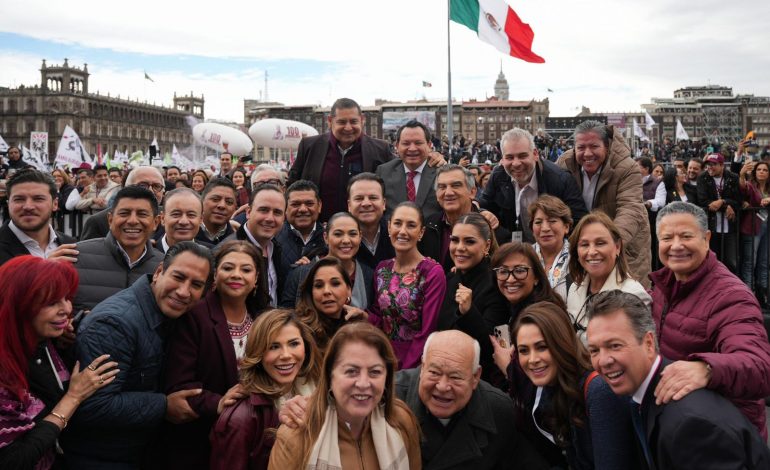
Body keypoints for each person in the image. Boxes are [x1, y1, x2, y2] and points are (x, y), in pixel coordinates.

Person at [64, 242, 214, 468]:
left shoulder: (176, 316)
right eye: (178, 277)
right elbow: (94, 406)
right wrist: (164, 405)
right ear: (159, 272)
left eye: (196, 284)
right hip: (100, 458)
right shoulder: (114, 324)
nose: (184, 292)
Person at [586, 290, 770, 469]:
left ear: (649, 344)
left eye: (615, 346)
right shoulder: (645, 395)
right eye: (594, 350)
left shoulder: (690, 426)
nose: (603, 361)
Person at [649, 201, 770, 440]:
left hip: (724, 436)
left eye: (686, 236)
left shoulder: (731, 296)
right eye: (666, 238)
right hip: (681, 423)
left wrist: (707, 369)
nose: (676, 246)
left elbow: (759, 367)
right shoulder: (663, 285)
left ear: (706, 238)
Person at [0, 256, 118, 469]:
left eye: (67, 297)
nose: (66, 309)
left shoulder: (43, 340)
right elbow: (13, 460)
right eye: (52, 302)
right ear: (20, 305)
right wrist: (73, 397)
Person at [163, 241, 270, 469]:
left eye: (246, 269)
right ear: (215, 274)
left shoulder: (262, 318)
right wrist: (219, 402)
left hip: (251, 439)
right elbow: (180, 385)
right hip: (200, 441)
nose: (236, 275)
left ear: (257, 279)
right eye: (228, 267)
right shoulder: (194, 316)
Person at [492, 301, 637, 470]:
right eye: (524, 350)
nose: (532, 359)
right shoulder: (550, 389)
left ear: (562, 343)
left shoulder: (599, 392)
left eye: (542, 347)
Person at [269, 322, 421, 470]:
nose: (363, 384)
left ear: (387, 378)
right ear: (330, 376)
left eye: (375, 372)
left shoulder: (401, 421)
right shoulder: (296, 435)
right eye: (351, 371)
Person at [396, 330, 548, 469]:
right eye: (434, 372)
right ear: (423, 367)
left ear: (475, 377)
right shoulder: (390, 399)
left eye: (455, 377)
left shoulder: (498, 411)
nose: (442, 387)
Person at [210, 309, 321, 470]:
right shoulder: (241, 417)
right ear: (258, 353)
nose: (285, 355)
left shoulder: (317, 394)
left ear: (306, 346)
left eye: (294, 343)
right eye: (273, 346)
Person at [557, 120, 651, 287]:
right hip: (581, 248)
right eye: (581, 148)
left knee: (623, 303)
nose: (587, 153)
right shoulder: (564, 164)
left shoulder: (627, 167)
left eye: (594, 146)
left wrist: (608, 244)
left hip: (624, 246)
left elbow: (630, 208)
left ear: (606, 146)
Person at [367, 202, 447, 369]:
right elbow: (380, 318)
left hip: (415, 363)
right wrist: (362, 316)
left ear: (421, 232)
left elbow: (428, 330)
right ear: (389, 228)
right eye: (397, 223)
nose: (402, 231)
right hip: (382, 358)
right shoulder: (382, 269)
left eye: (411, 225)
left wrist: (404, 371)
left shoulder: (431, 273)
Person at [289, 98, 393, 221]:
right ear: (330, 121)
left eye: (353, 121)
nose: (348, 128)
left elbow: (391, 191)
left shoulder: (381, 149)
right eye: (342, 122)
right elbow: (292, 186)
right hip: (319, 230)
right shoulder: (309, 147)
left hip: (363, 231)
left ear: (362, 120)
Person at [480, 128, 587, 243]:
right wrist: (483, 212)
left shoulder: (561, 179)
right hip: (514, 252)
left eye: (522, 156)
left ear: (535, 154)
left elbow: (579, 223)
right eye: (509, 157)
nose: (516, 163)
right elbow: (483, 206)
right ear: (502, 159)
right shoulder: (498, 176)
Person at [437, 212, 508, 384]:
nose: (460, 247)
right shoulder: (451, 278)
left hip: (479, 381)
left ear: (487, 245)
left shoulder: (497, 284)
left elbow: (494, 348)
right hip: (444, 375)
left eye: (469, 241)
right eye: (455, 240)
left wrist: (469, 312)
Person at [73, 185, 165, 311]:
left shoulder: (164, 266)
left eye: (142, 214)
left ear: (156, 222)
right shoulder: (75, 257)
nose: (132, 220)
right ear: (110, 220)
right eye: (124, 213)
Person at [566, 211, 650, 343]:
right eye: (584, 245)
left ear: (617, 247)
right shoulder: (574, 289)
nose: (592, 252)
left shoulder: (634, 294)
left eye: (600, 243)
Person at [419, 164, 509, 272]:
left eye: (456, 185)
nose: (448, 192)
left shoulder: (493, 231)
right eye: (442, 187)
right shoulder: (426, 226)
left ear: (472, 192)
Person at [281, 212, 373, 309]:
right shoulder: (301, 274)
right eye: (338, 234)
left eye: (352, 234)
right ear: (326, 237)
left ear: (360, 237)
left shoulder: (369, 275)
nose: (346, 240)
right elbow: (286, 315)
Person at [224, 183, 286, 306]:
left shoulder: (276, 247)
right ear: (248, 212)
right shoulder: (227, 251)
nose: (270, 218)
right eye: (263, 210)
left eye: (277, 212)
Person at [0, 169, 77, 266]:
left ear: (55, 204)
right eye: (19, 199)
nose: (28, 206)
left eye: (38, 199)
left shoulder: (71, 245)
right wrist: (43, 271)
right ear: (8, 204)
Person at [376, 120, 444, 222]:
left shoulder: (441, 172)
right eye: (406, 143)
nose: (412, 148)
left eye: (418, 143)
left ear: (429, 145)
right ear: (397, 145)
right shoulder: (384, 172)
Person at [80, 165, 166, 241]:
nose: (150, 191)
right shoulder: (98, 222)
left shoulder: (169, 216)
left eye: (157, 186)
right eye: (142, 185)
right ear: (126, 187)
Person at [697, 152, 742, 274]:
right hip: (711, 227)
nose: (709, 167)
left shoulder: (733, 177)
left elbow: (739, 200)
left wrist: (723, 201)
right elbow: (703, 200)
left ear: (722, 165)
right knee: (712, 261)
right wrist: (726, 206)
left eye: (713, 164)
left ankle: (731, 288)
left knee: (731, 261)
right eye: (708, 164)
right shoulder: (703, 177)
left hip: (730, 227)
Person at [275, 180, 326, 278]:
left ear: (319, 206)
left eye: (309, 203)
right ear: (285, 207)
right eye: (295, 204)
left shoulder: (330, 239)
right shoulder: (273, 239)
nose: (303, 209)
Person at [529, 195, 572, 301]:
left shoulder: (578, 257)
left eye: (552, 221)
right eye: (538, 222)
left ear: (566, 227)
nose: (545, 228)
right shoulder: (524, 257)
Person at [347, 172, 394, 271]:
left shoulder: (397, 234)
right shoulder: (338, 240)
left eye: (373, 198)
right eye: (359, 198)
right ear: (349, 205)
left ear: (384, 203)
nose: (366, 203)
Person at [739, 160, 770, 298]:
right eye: (759, 169)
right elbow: (742, 189)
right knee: (750, 262)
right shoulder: (751, 186)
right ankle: (748, 294)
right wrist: (741, 174)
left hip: (767, 228)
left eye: (765, 170)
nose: (761, 172)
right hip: (752, 228)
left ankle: (762, 293)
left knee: (764, 261)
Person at [158, 188, 207, 253]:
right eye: (176, 214)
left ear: (201, 219)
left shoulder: (213, 255)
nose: (184, 222)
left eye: (191, 215)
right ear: (162, 218)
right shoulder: (143, 253)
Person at [197, 177, 238, 246]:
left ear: (235, 207)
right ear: (202, 201)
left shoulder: (239, 242)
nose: (222, 206)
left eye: (229, 202)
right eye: (215, 199)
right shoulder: (186, 236)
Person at [51, 168, 77, 237]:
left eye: (59, 176)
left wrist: (57, 191)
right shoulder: (51, 189)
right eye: (54, 176)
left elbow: (63, 205)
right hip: (55, 221)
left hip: (67, 222)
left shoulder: (70, 188)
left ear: (64, 177)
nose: (56, 178)